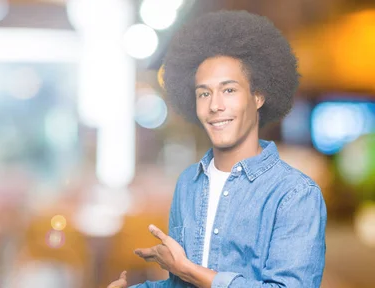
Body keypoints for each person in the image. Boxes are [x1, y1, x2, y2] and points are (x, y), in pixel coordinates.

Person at [107, 10, 327, 288]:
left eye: (229, 90)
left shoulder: (295, 195)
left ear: (258, 96)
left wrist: (187, 269)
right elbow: (180, 284)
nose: (214, 105)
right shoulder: (188, 183)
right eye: (204, 93)